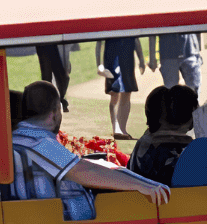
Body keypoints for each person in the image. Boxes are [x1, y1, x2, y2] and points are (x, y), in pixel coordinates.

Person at [9, 79, 170, 215]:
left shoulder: (18, 138)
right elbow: (81, 171)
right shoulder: (37, 142)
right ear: (55, 112)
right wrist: (141, 185)